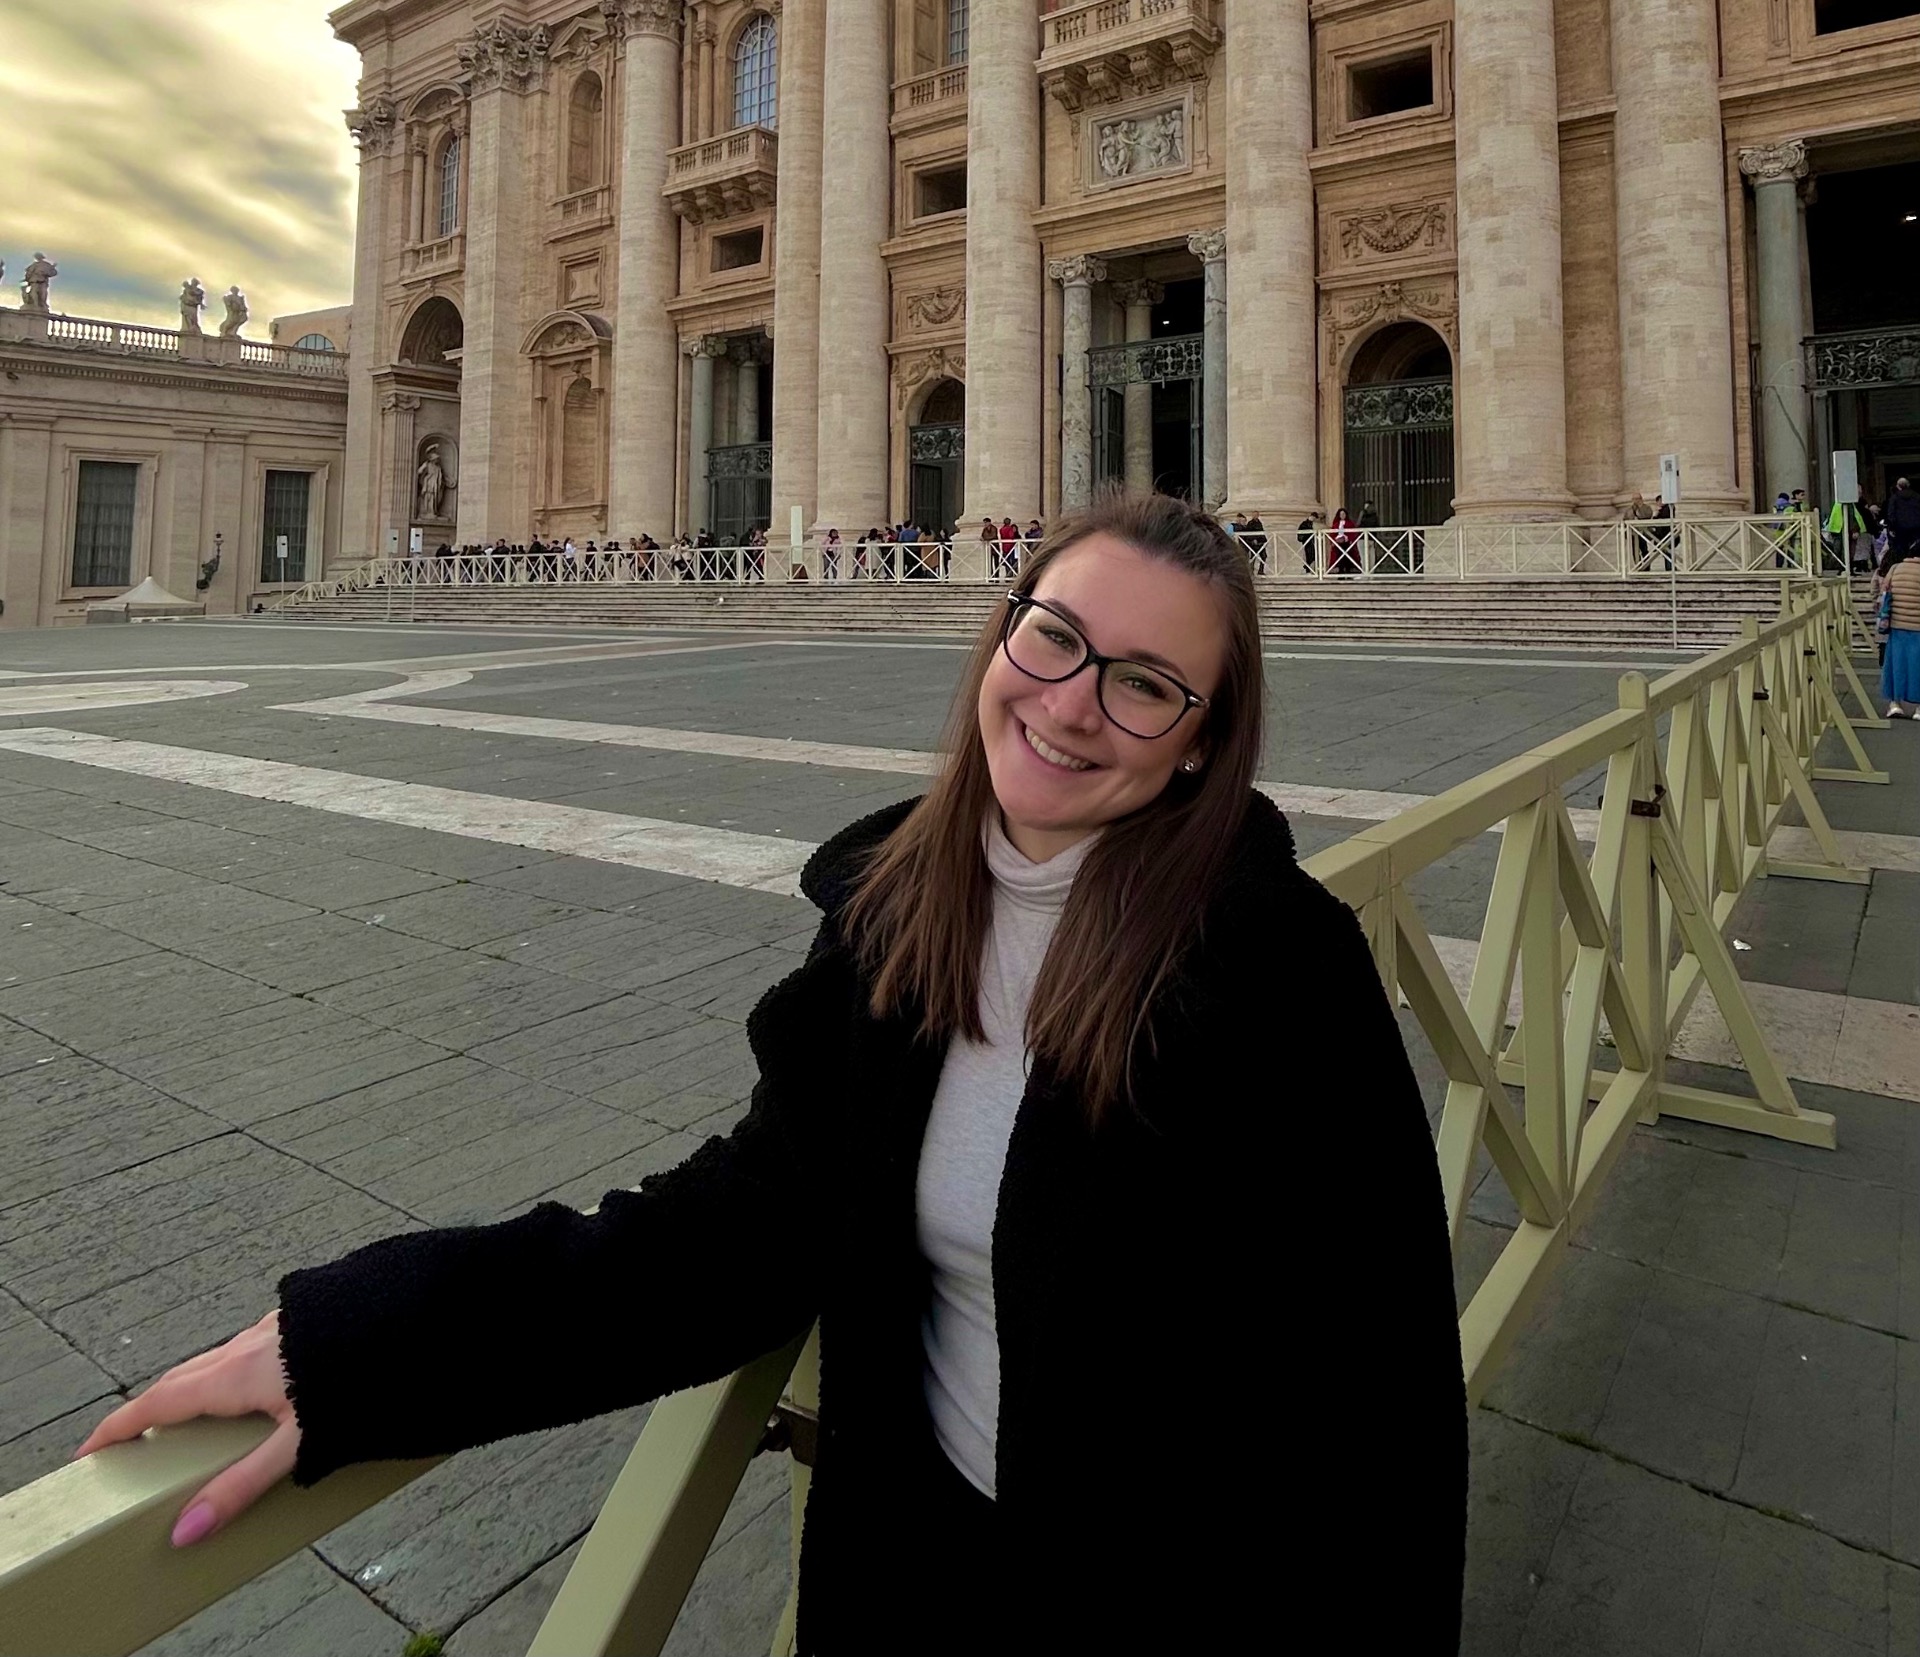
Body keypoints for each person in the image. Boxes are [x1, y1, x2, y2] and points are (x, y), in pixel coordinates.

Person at [76, 492, 1465, 1656]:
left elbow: (1383, 1413)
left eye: (1145, 683)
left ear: (1204, 738)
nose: (1071, 704)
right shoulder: (894, 917)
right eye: (1053, 637)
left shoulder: (1280, 970)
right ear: (1002, 628)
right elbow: (732, 1233)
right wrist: (363, 1342)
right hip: (918, 1582)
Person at [1879, 548, 1920, 716]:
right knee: (1917, 667)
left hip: (1897, 626)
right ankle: (1918, 708)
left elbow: (1885, 591)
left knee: (1896, 666)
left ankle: (1894, 703)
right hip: (1918, 627)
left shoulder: (1895, 569)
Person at [1328, 506, 1360, 575]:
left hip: (1347, 543)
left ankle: (1348, 572)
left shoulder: (1350, 523)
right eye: (1341, 514)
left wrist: (1350, 539)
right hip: (1338, 543)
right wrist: (1333, 541)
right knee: (1339, 558)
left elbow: (1353, 533)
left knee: (1347, 558)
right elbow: (1332, 533)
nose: (1342, 515)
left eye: (1343, 514)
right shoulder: (1336, 523)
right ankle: (1341, 572)